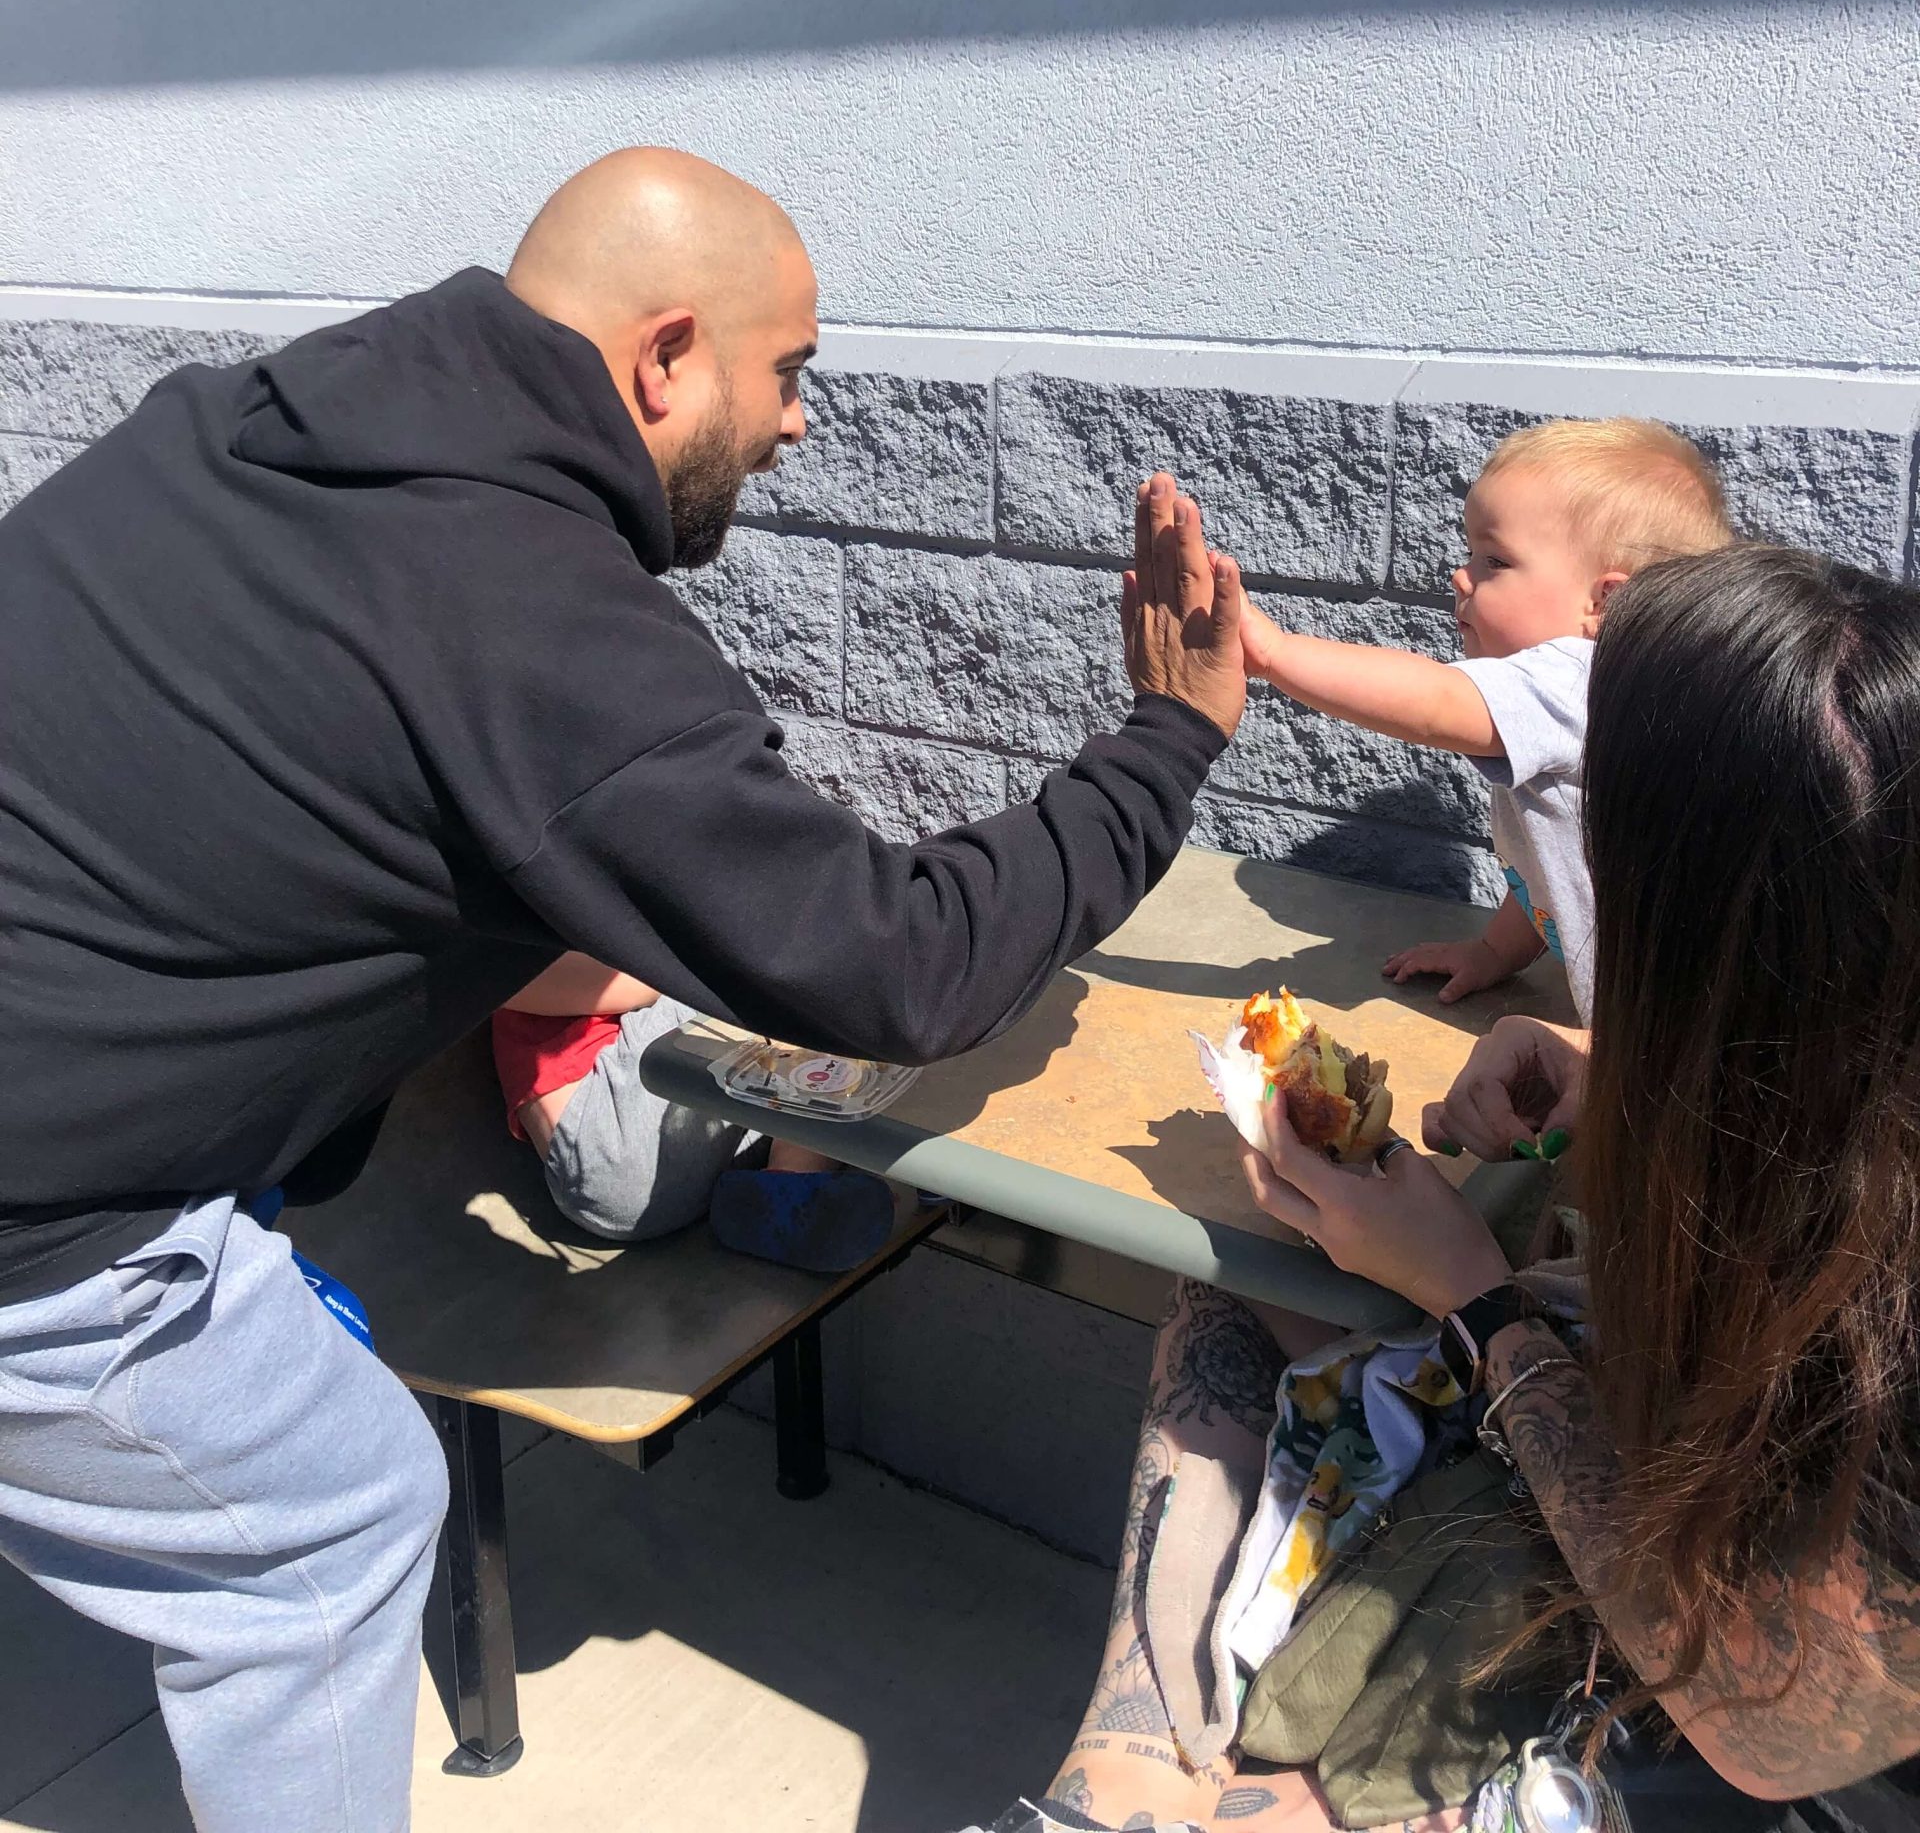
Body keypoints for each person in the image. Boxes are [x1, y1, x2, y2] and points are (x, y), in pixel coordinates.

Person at [0, 147, 1248, 1833]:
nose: (802, 422)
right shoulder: (529, 621)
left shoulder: (263, 421)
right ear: (666, 360)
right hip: (42, 1205)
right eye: (788, 372)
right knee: (331, 1526)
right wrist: (1168, 741)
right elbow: (904, 964)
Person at [967, 543, 1920, 1832]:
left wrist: (1475, 1298)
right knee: (1242, 1286)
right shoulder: (1845, 1053)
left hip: (1758, 1727)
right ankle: (1119, 1772)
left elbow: (1788, 1725)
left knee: (1296, 1788)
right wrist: (1614, 1074)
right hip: (1654, 1479)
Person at [1238, 417, 1730, 1023]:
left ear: (1606, 604)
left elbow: (1436, 702)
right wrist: (1496, 952)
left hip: (1658, 1034)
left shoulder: (1580, 679)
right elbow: (1552, 869)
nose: (1460, 575)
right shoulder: (1602, 694)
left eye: (1495, 560)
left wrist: (1275, 653)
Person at [489, 951, 892, 1272]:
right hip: (614, 1129)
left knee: (829, 966)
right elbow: (630, 984)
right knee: (809, 947)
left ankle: (786, 1187)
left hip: (719, 1139)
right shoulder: (522, 897)